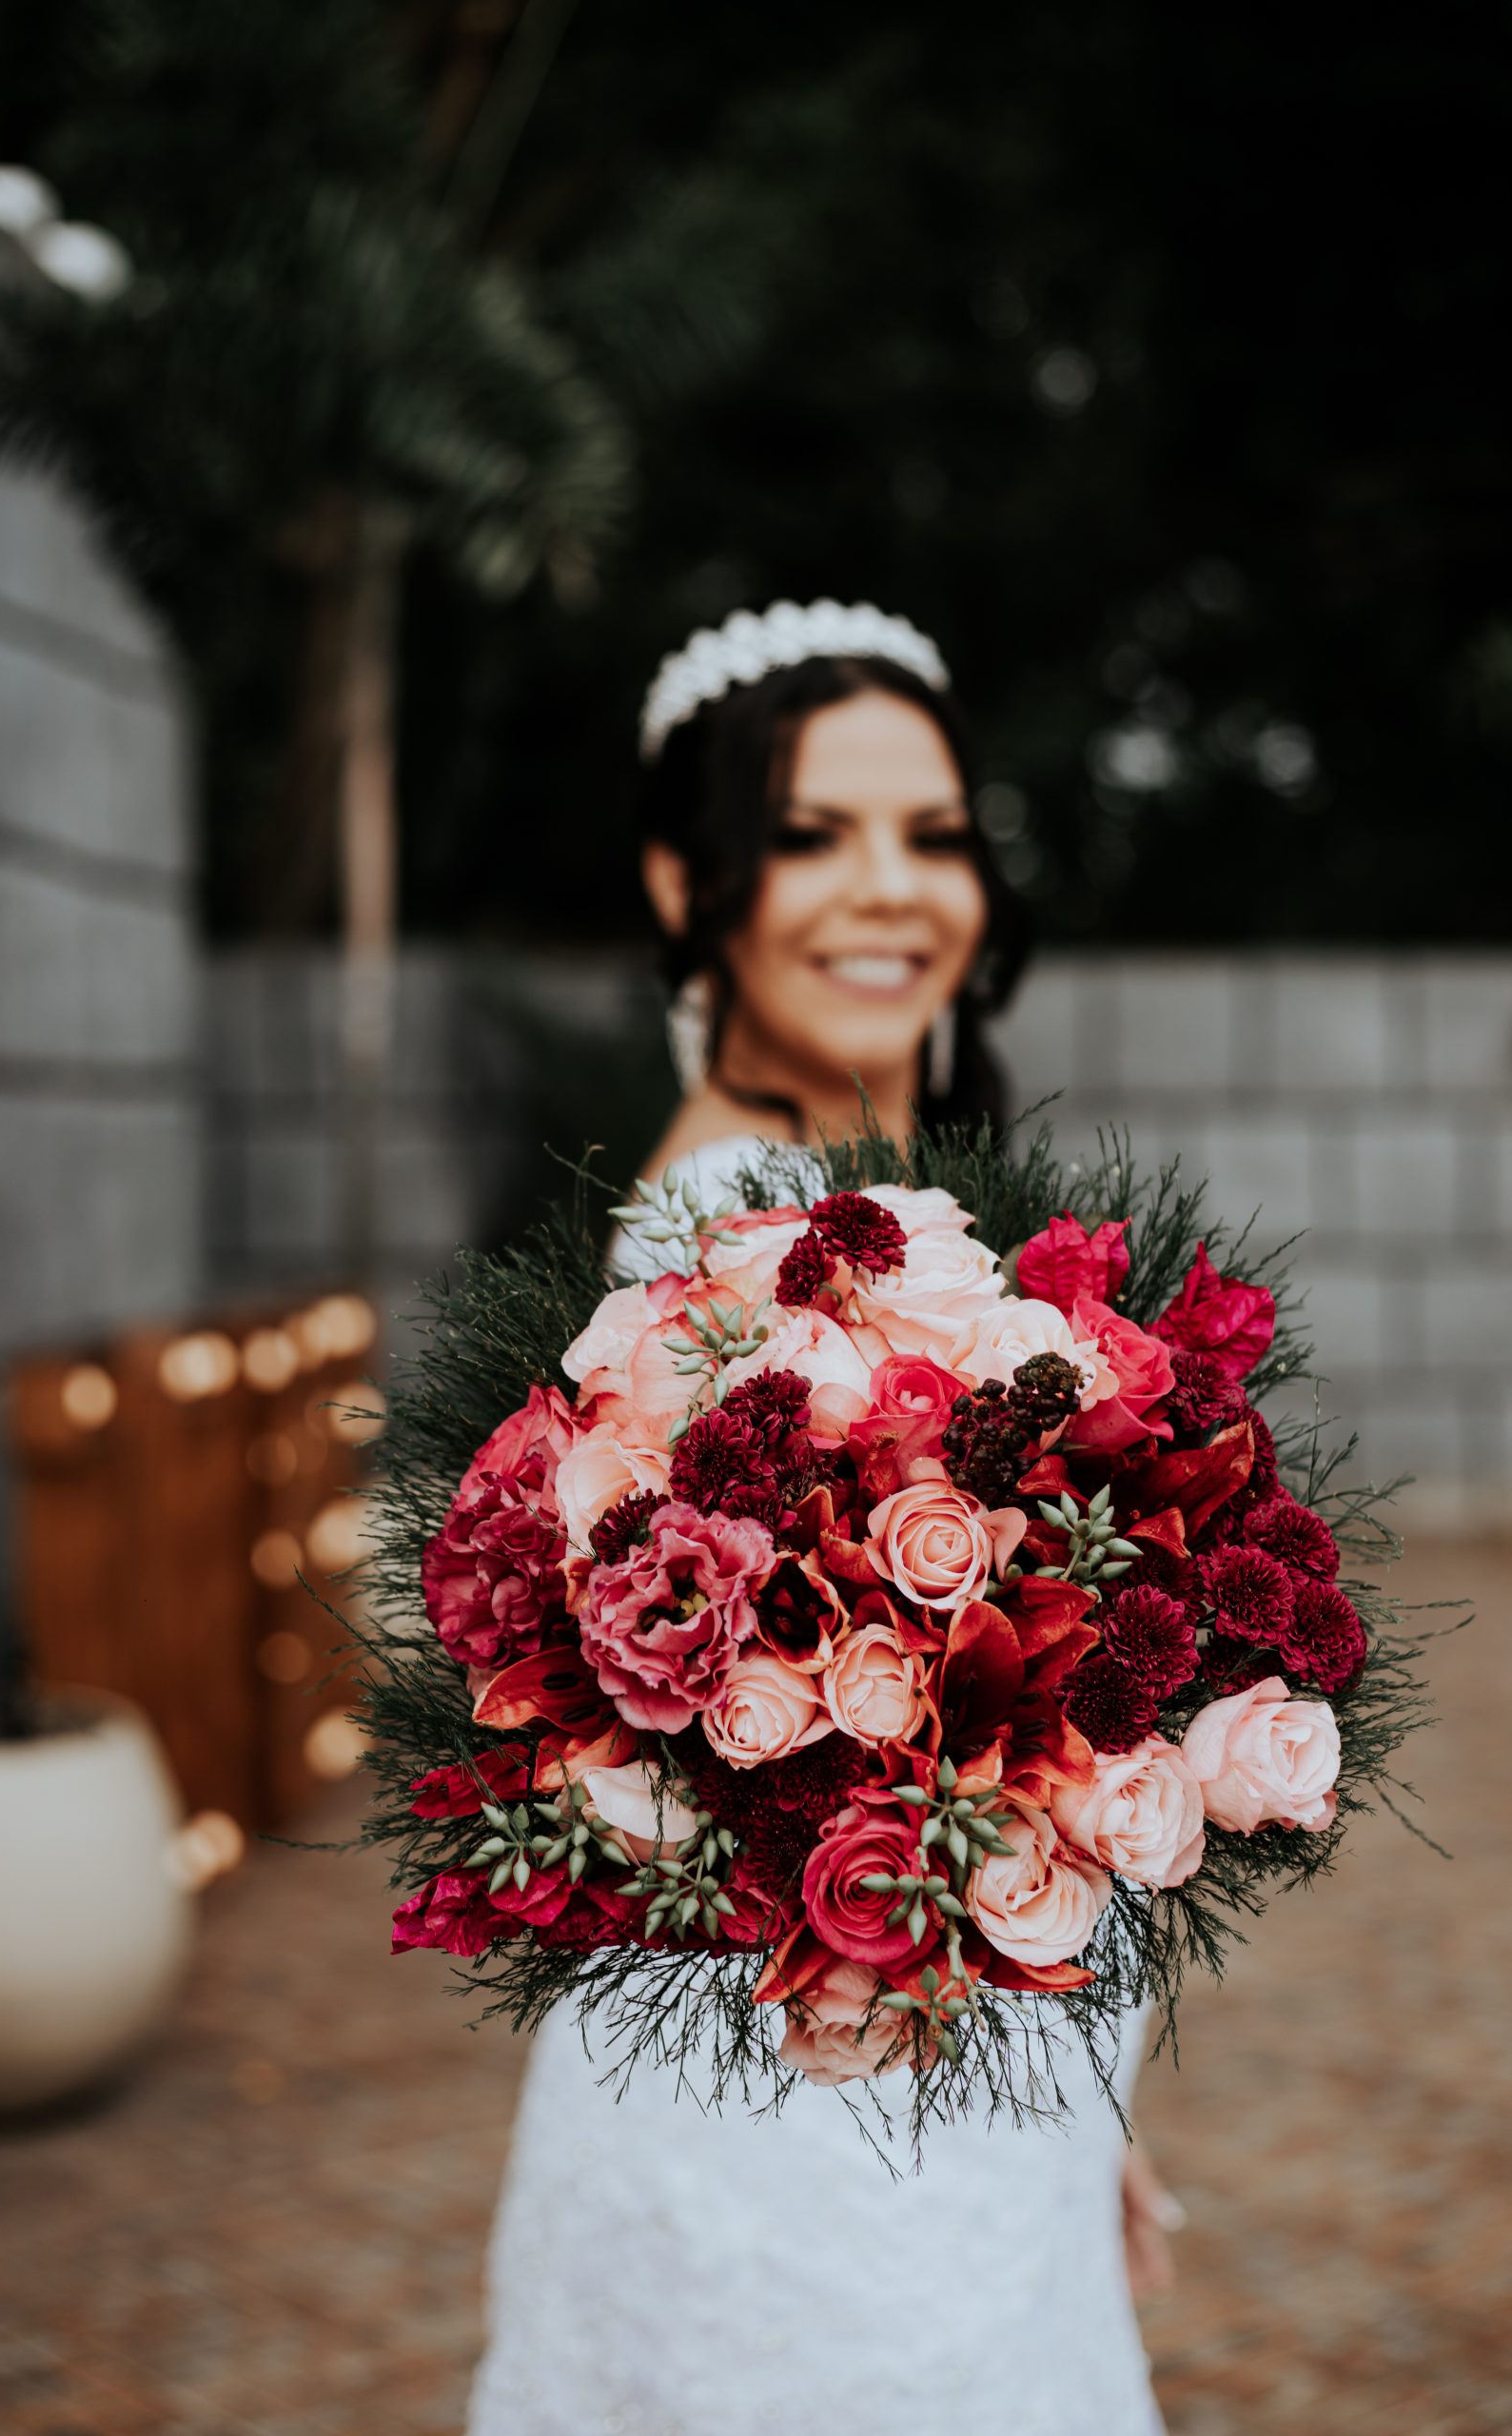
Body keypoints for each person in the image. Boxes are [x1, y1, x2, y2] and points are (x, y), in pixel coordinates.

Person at [465, 602, 1181, 2436]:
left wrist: (1078, 2093)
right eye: (812, 834)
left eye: (933, 835)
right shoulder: (731, 1236)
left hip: (953, 2062)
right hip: (810, 2099)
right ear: (680, 878)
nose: (891, 891)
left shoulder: (879, 1187)